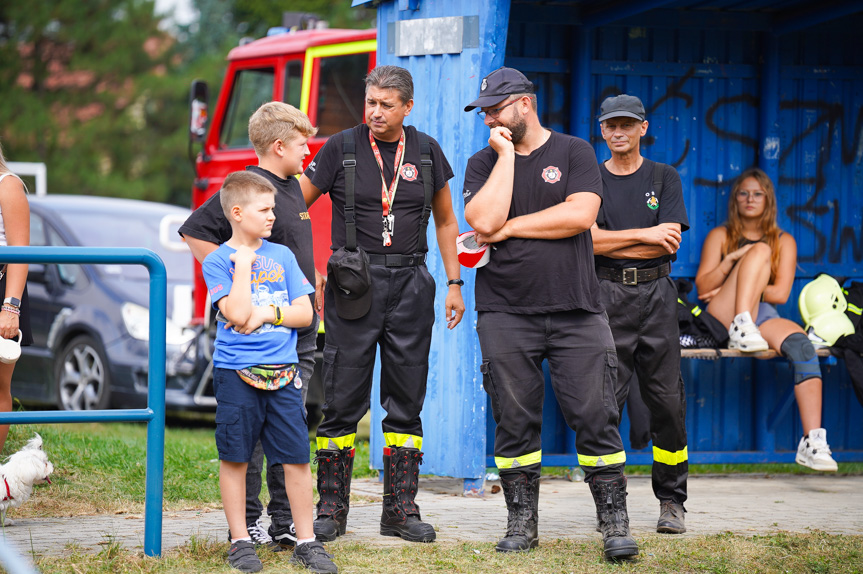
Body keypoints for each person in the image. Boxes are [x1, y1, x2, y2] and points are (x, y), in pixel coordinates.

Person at [461, 67, 638, 560]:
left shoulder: (575, 151)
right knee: (513, 419)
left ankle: (615, 523)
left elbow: (579, 215)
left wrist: (513, 226)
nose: (489, 119)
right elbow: (482, 221)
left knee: (596, 414)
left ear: (525, 104)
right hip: (504, 311)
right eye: (484, 112)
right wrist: (503, 158)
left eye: (496, 109)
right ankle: (522, 523)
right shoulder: (483, 162)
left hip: (577, 309)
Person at [299, 65, 465, 544]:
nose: (374, 111)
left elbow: (447, 221)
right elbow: (296, 208)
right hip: (354, 282)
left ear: (407, 107)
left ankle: (400, 511)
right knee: (342, 400)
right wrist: (305, 271)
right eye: (370, 102)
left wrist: (454, 282)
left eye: (385, 104)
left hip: (413, 282)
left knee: (406, 402)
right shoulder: (341, 147)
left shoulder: (428, 151)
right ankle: (330, 510)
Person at [179, 101, 323, 548]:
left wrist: (303, 277)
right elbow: (194, 230)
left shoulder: (293, 186)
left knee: (290, 429)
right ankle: (248, 522)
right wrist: (229, 276)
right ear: (279, 146)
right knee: (251, 438)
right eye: (302, 145)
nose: (308, 153)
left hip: (293, 334)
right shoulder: (250, 190)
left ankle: (286, 521)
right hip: (252, 341)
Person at [201, 170, 337, 574]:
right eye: (265, 209)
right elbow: (235, 312)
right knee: (236, 457)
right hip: (235, 372)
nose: (273, 216)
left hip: (283, 372)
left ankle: (307, 541)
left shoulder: (282, 256)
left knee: (295, 458)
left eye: (273, 208)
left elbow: (305, 312)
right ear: (237, 213)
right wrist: (243, 265)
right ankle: (241, 540)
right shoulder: (217, 261)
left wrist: (267, 312)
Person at [590, 94, 690, 534]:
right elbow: (587, 242)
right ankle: (611, 504)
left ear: (642, 128)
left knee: (667, 403)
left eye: (627, 124)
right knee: (604, 404)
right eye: (611, 125)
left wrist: (617, 239)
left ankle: (672, 501)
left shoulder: (664, 176)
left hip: (657, 294)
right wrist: (644, 236)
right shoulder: (590, 178)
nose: (619, 132)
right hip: (605, 294)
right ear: (602, 130)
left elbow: (669, 243)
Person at [695, 167, 838, 472]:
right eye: (743, 193)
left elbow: (780, 293)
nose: (750, 199)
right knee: (757, 251)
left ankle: (812, 442)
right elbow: (703, 288)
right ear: (735, 199)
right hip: (723, 315)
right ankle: (740, 325)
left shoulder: (782, 240)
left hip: (761, 315)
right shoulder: (720, 235)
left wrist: (741, 281)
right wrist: (733, 264)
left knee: (802, 346)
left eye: (757, 193)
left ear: (768, 199)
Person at [0, 142, 31, 455]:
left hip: (3, 292)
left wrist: (11, 307)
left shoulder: (7, 186)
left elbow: (20, 253)